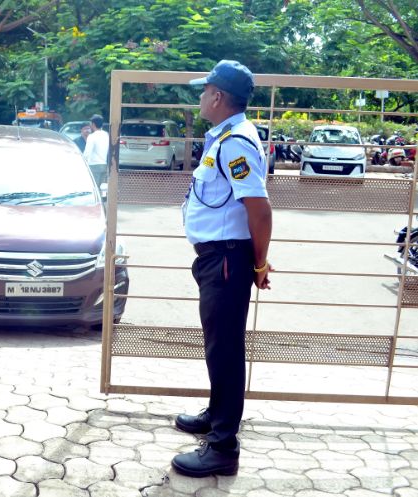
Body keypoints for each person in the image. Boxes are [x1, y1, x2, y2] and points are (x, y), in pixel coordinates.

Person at [172, 60, 273, 478]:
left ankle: (223, 448)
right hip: (220, 258)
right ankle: (216, 416)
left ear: (217, 96)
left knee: (225, 350)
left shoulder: (235, 143)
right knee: (219, 345)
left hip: (227, 259)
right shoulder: (226, 138)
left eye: (203, 91)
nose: (199, 97)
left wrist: (259, 263)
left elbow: (259, 209)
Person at [83, 114, 110, 185]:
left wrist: (83, 163)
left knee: (94, 187)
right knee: (101, 188)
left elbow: (87, 152)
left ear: (93, 124)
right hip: (104, 165)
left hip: (94, 166)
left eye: (91, 123)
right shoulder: (106, 135)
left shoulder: (92, 136)